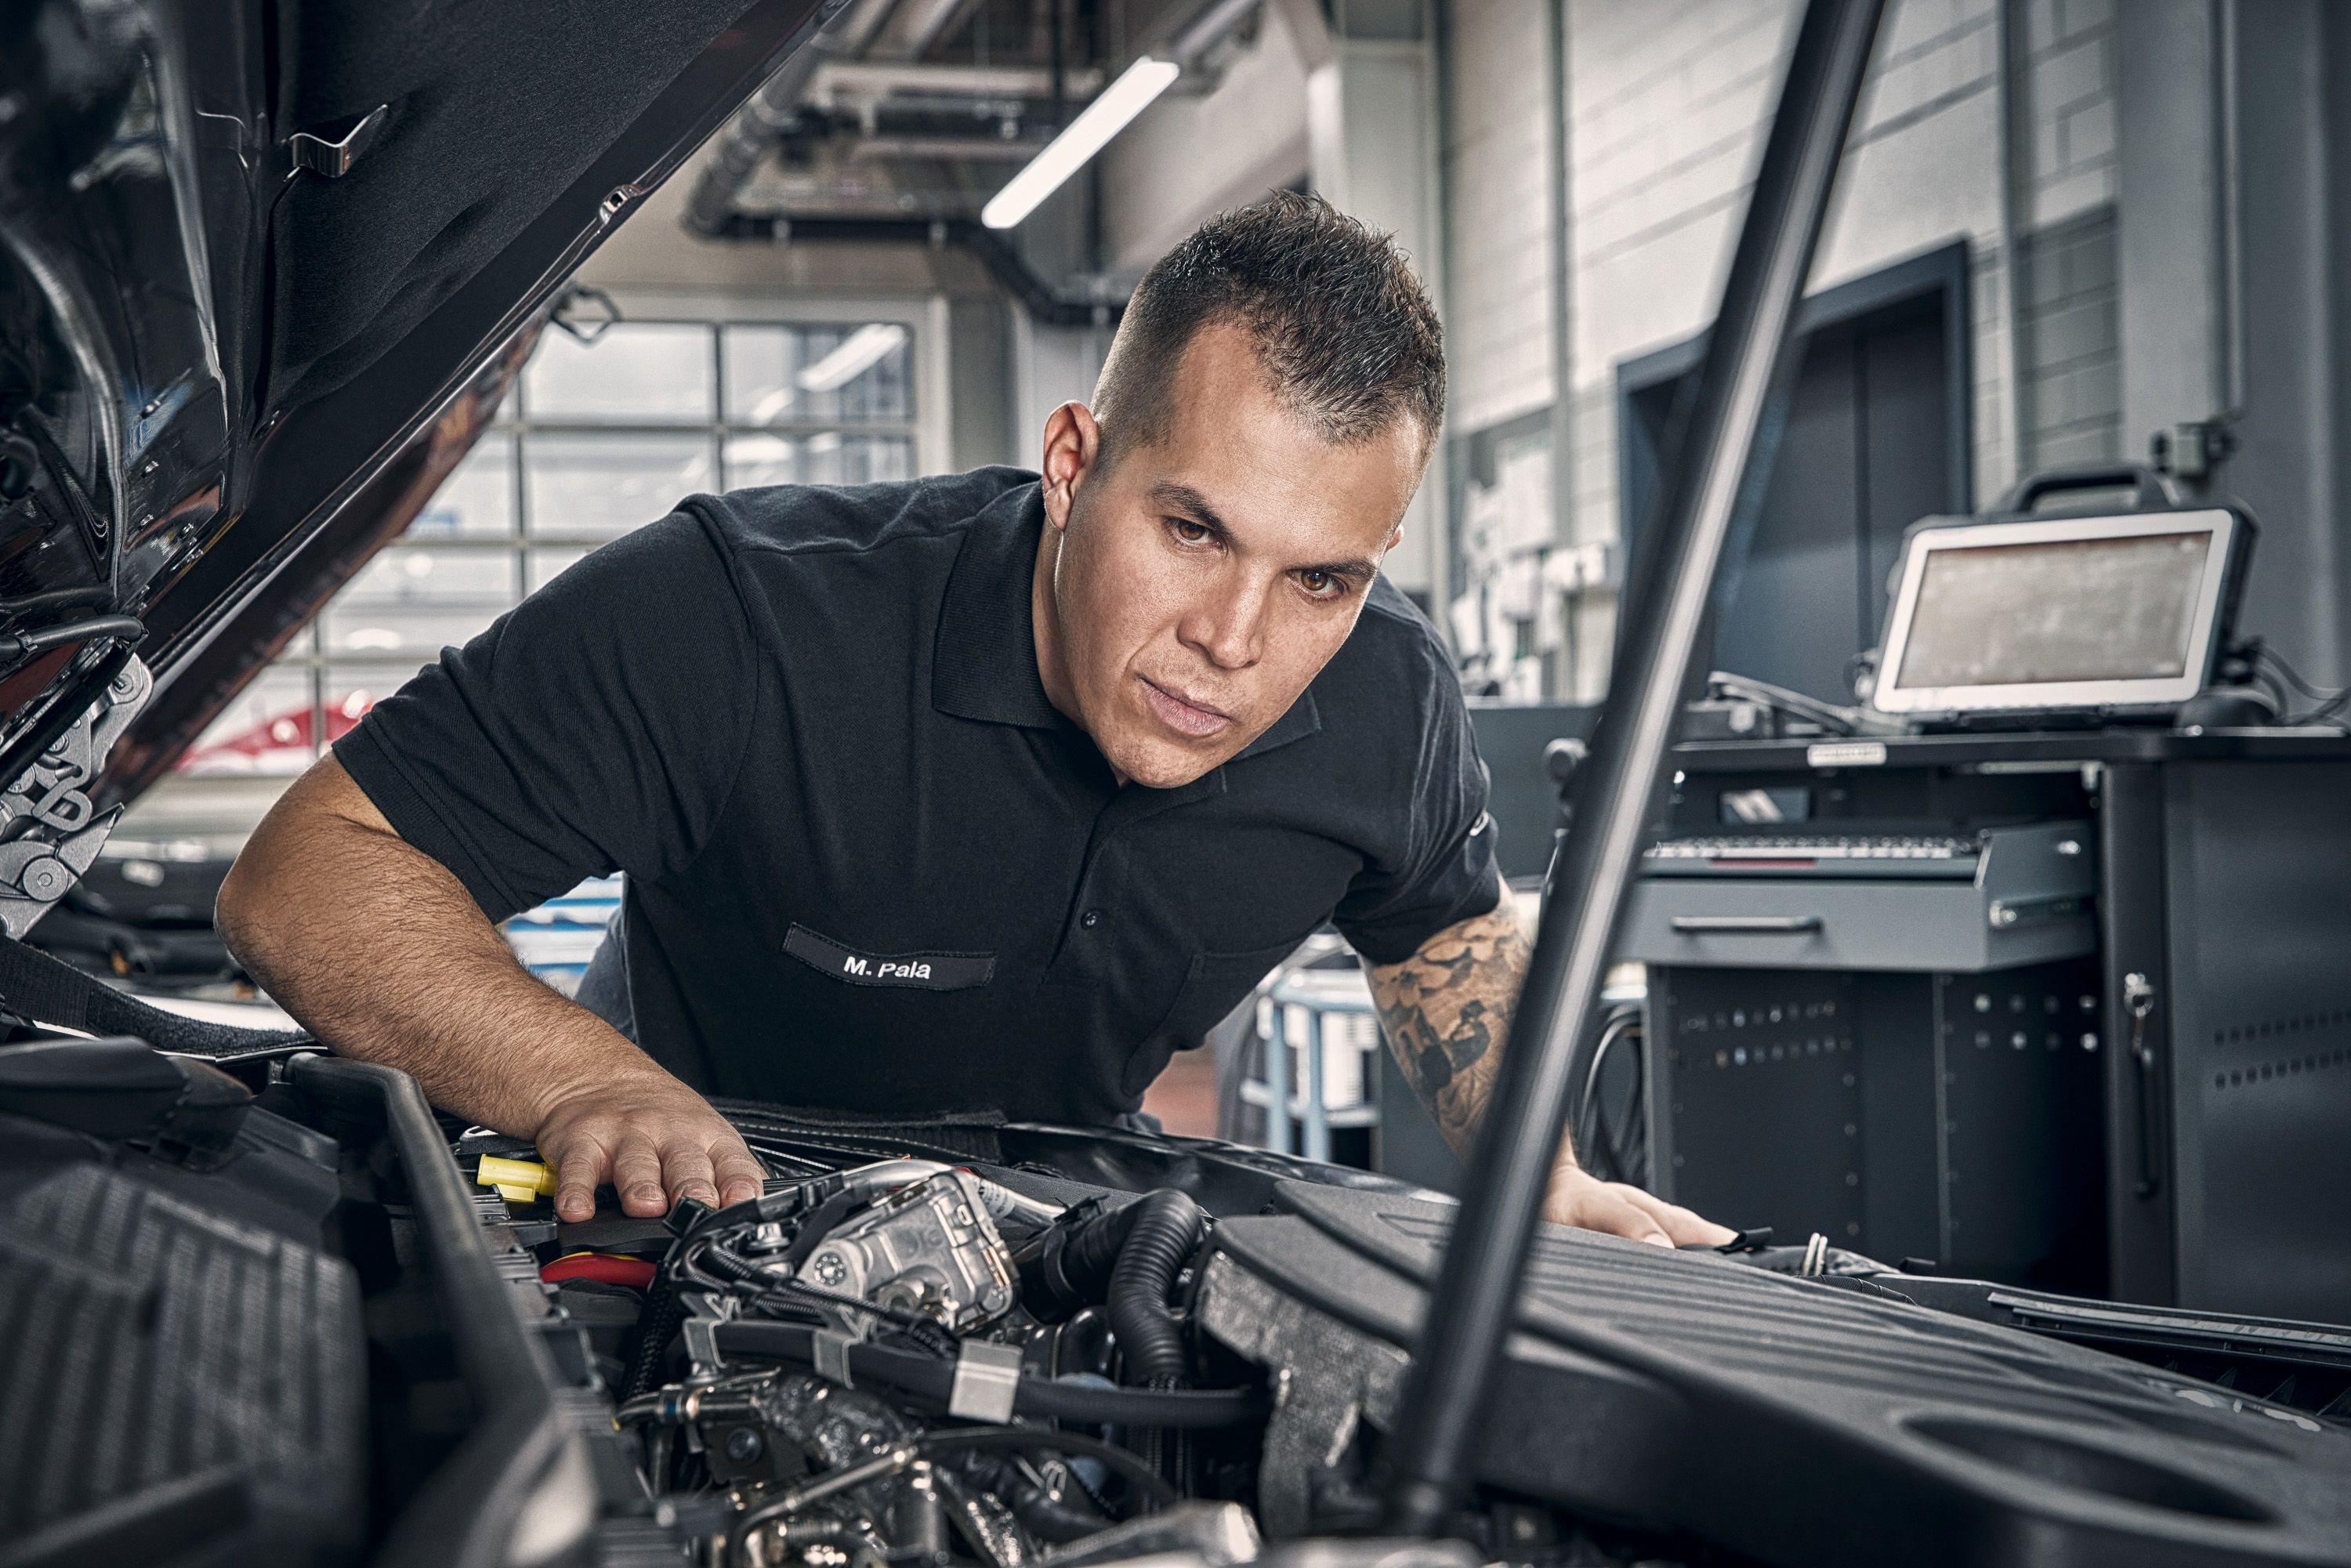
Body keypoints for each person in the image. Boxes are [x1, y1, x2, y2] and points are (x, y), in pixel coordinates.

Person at [218, 193, 1731, 1250]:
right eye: (1192, 529)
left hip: (1055, 1247)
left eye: (1321, 577)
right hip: (687, 1227)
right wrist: (585, 1083)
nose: (1235, 638)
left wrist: (1537, 1169)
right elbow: (307, 874)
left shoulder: (1385, 693)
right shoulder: (744, 619)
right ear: (1073, 462)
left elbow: (1444, 933)